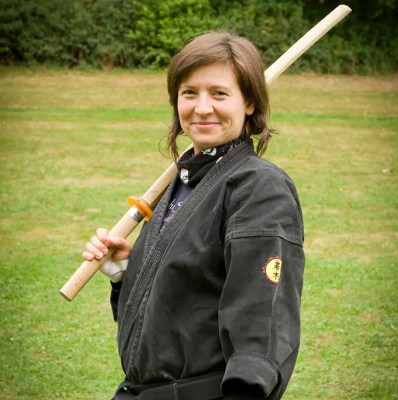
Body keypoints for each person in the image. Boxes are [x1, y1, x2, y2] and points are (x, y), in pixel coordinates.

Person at [83, 31, 305, 400]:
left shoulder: (258, 188)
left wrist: (246, 391)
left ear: (249, 102)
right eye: (189, 93)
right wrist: (126, 272)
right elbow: (170, 313)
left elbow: (262, 313)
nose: (202, 108)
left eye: (219, 94)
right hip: (143, 391)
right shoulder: (185, 178)